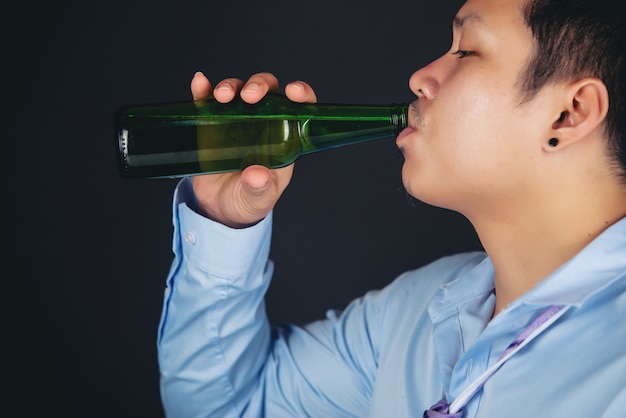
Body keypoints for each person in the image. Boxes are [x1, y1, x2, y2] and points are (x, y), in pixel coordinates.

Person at [156, 0, 626, 416]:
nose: (419, 78)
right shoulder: (418, 312)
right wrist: (223, 219)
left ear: (571, 113)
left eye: (466, 51)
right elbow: (232, 407)